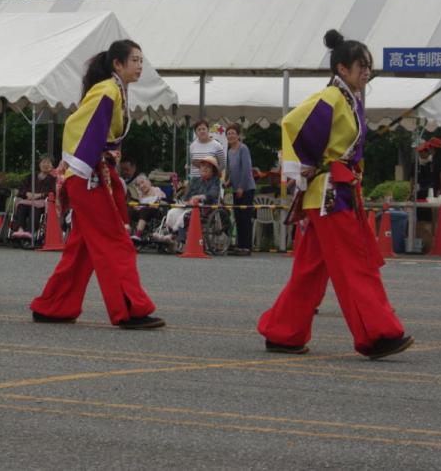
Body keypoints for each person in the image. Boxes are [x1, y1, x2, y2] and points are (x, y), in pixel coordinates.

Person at [258, 29, 412, 360]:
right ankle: (377, 334)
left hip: (331, 193)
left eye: (368, 65)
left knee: (310, 270)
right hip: (331, 196)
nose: (366, 71)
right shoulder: (330, 98)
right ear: (342, 68)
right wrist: (303, 167)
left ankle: (284, 332)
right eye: (361, 65)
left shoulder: (346, 98)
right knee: (356, 265)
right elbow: (292, 123)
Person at [31, 39, 164, 329]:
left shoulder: (114, 90)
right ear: (117, 64)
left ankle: (53, 305)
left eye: (142, 60)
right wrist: (84, 167)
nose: (140, 66)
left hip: (90, 172)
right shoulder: (107, 90)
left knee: (82, 246)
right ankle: (130, 309)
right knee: (115, 241)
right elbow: (84, 130)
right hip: (90, 174)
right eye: (135, 60)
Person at [165, 155, 222, 246]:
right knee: (172, 212)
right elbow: (187, 195)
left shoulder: (215, 181)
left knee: (185, 215)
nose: (204, 168)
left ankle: (176, 237)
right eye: (203, 166)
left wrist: (199, 197)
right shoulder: (195, 180)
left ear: (213, 171)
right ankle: (171, 235)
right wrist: (187, 200)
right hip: (189, 205)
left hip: (204, 208)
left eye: (208, 167)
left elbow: (213, 195)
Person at [225, 123, 256, 256]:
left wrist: (242, 187)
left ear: (238, 135)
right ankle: (240, 245)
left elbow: (247, 169)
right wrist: (228, 182)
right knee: (237, 217)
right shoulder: (229, 151)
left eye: (233, 133)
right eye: (228, 133)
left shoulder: (243, 148)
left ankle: (247, 246)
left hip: (247, 188)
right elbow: (231, 170)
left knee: (245, 217)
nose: (231, 135)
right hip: (235, 189)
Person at [11, 155, 58, 239]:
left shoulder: (53, 179)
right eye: (43, 162)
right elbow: (21, 188)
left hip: (42, 203)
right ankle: (20, 229)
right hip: (28, 200)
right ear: (39, 164)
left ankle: (30, 232)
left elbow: (53, 192)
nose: (45, 164)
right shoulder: (31, 177)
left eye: (48, 163)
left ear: (52, 166)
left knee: (34, 208)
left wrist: (39, 195)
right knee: (21, 206)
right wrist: (26, 193)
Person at [129, 174, 167, 242]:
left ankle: (138, 235)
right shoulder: (140, 195)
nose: (141, 186)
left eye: (142, 182)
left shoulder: (156, 190)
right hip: (143, 213)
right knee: (130, 211)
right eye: (139, 185)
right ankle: (127, 233)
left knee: (144, 210)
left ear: (148, 182)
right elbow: (138, 206)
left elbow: (160, 201)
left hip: (156, 212)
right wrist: (136, 207)